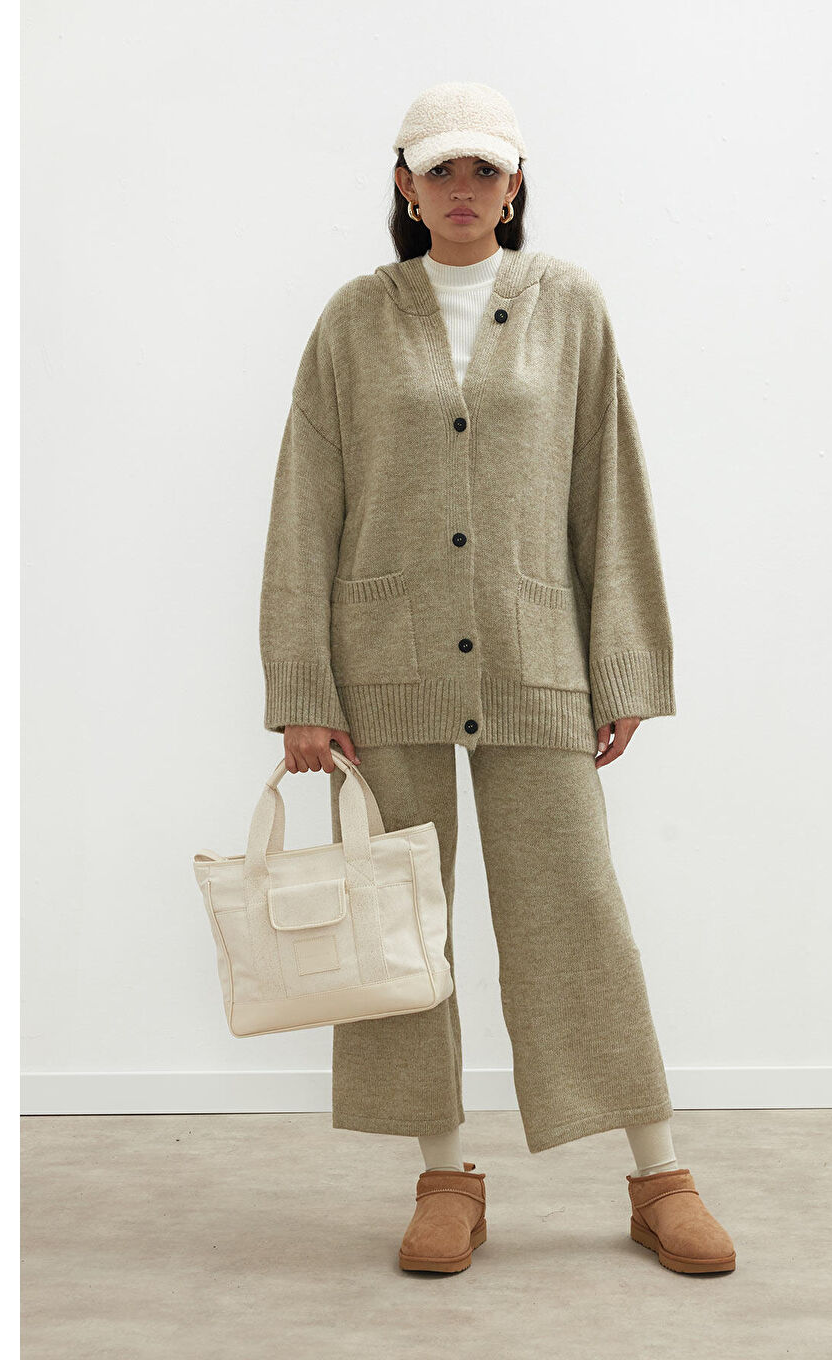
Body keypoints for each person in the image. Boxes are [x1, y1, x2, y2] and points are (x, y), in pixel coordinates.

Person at [259, 81, 735, 1276]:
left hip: (536, 659)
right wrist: (303, 689)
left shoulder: (569, 306)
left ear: (516, 186)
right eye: (441, 170)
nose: (463, 189)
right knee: (403, 926)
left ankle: (659, 1174)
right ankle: (444, 1176)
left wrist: (622, 661)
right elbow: (306, 505)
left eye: (485, 170)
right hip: (386, 665)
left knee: (576, 911)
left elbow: (607, 489)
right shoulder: (354, 321)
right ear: (406, 186)